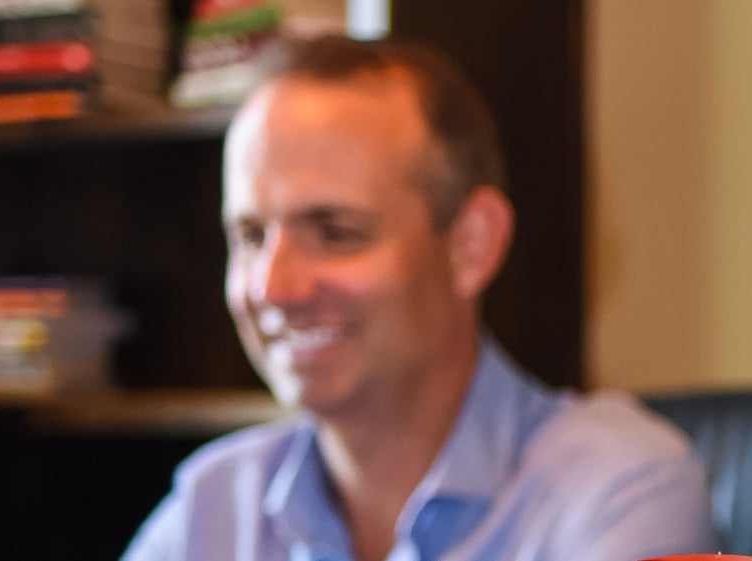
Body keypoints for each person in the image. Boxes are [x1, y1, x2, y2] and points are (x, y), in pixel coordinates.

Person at [122, 36, 715, 561]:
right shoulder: (215, 504)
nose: (272, 288)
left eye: (335, 232)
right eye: (251, 236)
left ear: (471, 246)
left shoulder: (617, 489)